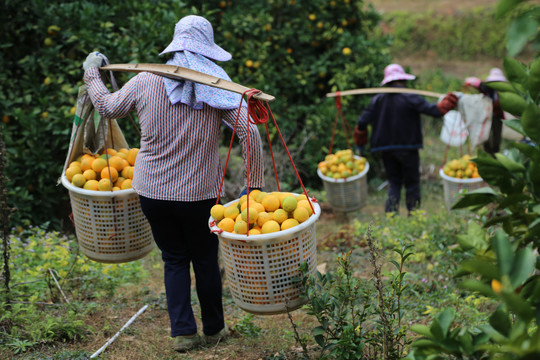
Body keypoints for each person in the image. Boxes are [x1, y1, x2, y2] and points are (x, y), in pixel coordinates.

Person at [82, 15, 265, 352]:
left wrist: (92, 72)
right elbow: (249, 130)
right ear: (206, 48)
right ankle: (214, 329)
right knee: (205, 260)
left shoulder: (145, 79)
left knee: (174, 259)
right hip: (199, 196)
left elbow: (106, 106)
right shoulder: (214, 85)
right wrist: (253, 185)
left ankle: (183, 333)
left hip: (152, 192)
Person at [354, 64, 458, 214]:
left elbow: (362, 123)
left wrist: (360, 142)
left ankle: (391, 215)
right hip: (408, 148)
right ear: (403, 80)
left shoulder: (377, 100)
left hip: (385, 149)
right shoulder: (411, 97)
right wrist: (448, 103)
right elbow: (435, 111)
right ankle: (414, 215)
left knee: (394, 182)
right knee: (412, 183)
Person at [465, 67, 506, 156]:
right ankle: (488, 153)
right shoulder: (487, 88)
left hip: (497, 116)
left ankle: (495, 155)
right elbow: (477, 84)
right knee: (485, 136)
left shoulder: (502, 91)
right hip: (486, 115)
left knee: (496, 139)